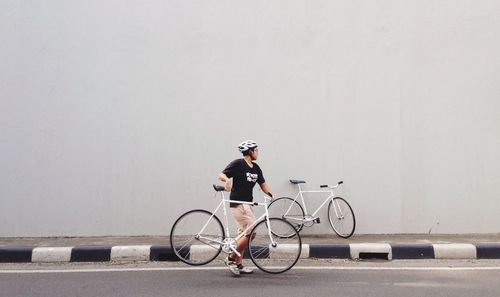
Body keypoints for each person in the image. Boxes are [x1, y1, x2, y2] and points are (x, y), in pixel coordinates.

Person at [218, 140, 273, 276]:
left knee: (242, 235)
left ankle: (238, 264)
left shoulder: (256, 168)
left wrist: (271, 194)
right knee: (251, 232)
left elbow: (262, 184)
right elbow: (221, 174)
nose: (258, 152)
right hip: (238, 203)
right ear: (250, 151)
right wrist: (226, 181)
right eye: (256, 150)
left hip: (248, 204)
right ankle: (230, 258)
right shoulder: (238, 164)